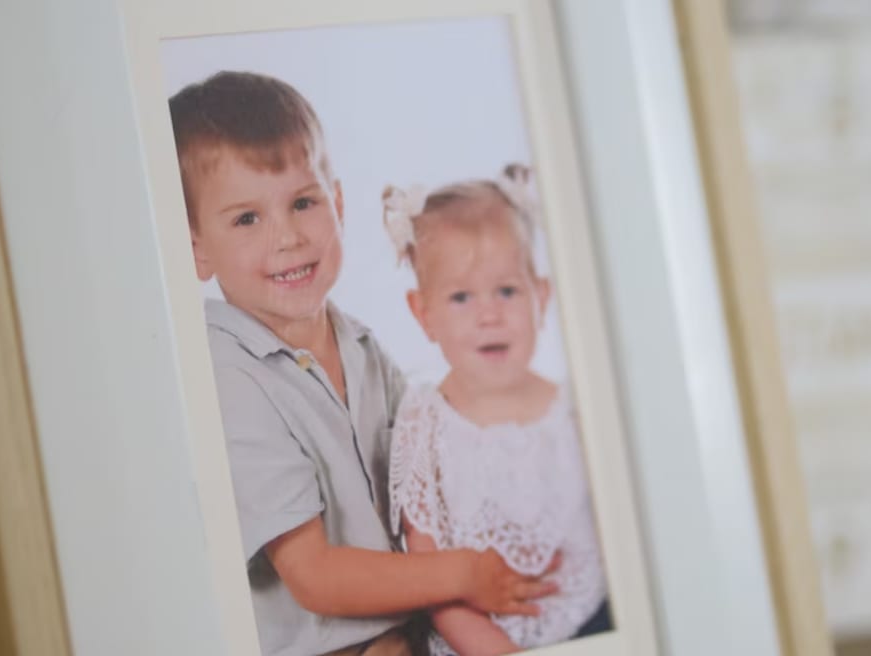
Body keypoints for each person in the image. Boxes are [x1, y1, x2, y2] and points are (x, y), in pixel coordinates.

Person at [167, 72, 557, 656]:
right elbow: (315, 577)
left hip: (409, 627)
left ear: (339, 204)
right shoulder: (226, 375)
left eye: (303, 202)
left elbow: (433, 474)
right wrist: (464, 575)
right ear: (196, 248)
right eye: (247, 218)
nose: (288, 238)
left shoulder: (363, 346)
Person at [385, 165, 611, 656]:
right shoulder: (425, 422)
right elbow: (432, 578)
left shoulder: (574, 411)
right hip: (475, 637)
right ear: (424, 313)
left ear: (541, 298)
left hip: (589, 619)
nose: (489, 314)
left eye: (507, 291)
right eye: (461, 297)